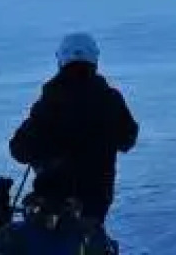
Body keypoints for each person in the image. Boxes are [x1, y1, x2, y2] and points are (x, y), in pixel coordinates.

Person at [8, 32, 140, 227]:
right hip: (95, 200)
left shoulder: (50, 101)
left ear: (61, 60)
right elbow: (128, 137)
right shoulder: (109, 99)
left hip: (51, 202)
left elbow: (19, 149)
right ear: (94, 60)